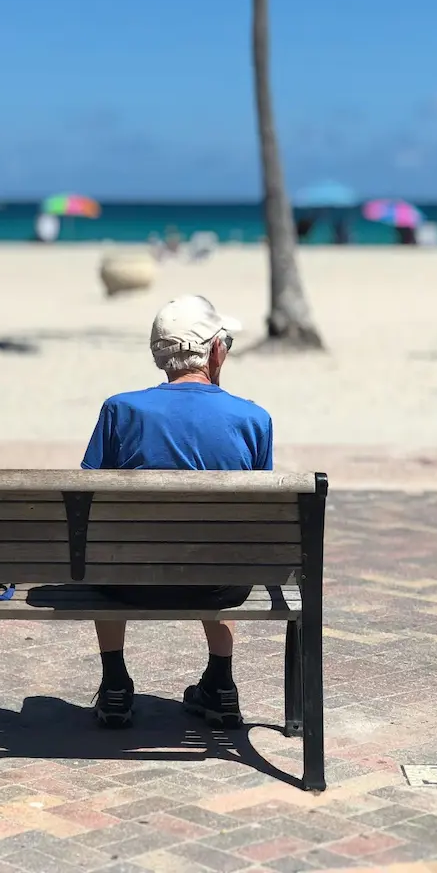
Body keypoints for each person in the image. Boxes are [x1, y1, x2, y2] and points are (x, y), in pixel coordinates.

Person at [81, 294, 273, 730]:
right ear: (216, 351)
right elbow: (257, 517)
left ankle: (114, 684)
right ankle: (221, 684)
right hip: (219, 585)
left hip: (128, 583)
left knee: (106, 548)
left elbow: (88, 497)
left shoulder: (121, 410)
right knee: (222, 543)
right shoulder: (253, 418)